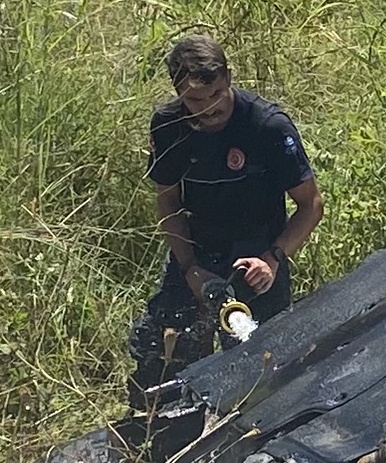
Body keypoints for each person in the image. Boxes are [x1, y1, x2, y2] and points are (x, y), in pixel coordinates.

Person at [133, 31, 321, 382]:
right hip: (196, 252)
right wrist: (189, 268)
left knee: (263, 372)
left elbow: (311, 205)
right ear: (179, 94)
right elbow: (168, 201)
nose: (210, 107)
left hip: (257, 257)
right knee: (164, 363)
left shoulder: (266, 126)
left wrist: (273, 259)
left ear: (229, 79)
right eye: (197, 100)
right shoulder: (168, 126)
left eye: (218, 93)